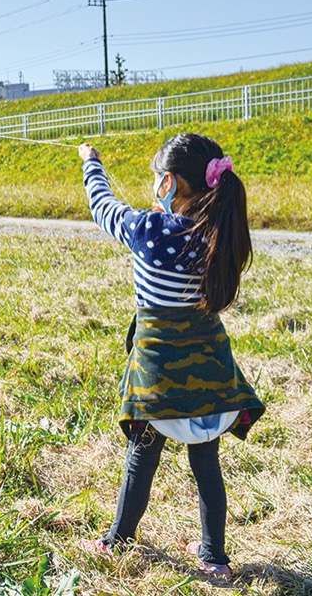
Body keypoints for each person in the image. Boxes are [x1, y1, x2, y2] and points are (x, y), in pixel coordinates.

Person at [77, 133, 264, 578]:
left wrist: (91, 162)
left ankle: (116, 541)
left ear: (170, 184)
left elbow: (102, 206)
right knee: (206, 463)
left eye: (158, 178)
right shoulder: (220, 234)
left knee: (141, 458)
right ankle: (215, 559)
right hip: (210, 373)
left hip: (158, 376)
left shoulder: (148, 231)